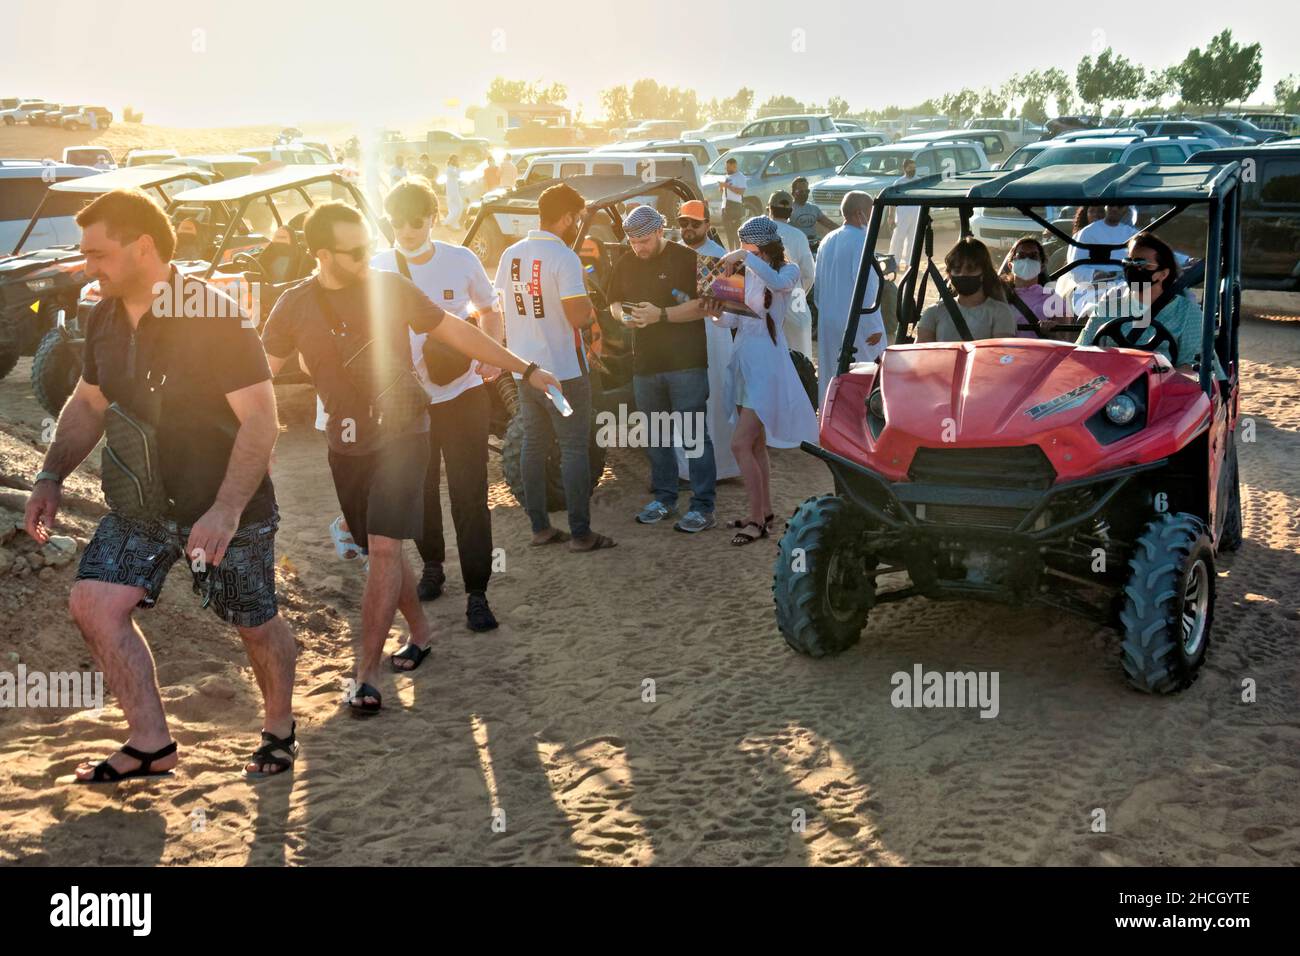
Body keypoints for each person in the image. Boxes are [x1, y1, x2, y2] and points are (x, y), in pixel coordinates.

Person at [23, 188, 298, 780]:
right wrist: (50, 474)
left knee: (252, 621)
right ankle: (151, 742)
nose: (86, 267)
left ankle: (278, 727)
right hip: (139, 503)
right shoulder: (102, 315)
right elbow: (88, 402)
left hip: (224, 503)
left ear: (143, 247)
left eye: (98, 254)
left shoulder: (214, 315)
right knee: (93, 602)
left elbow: (261, 419)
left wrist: (226, 509)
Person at [261, 202, 562, 716]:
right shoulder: (294, 304)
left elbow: (455, 330)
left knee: (383, 548)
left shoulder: (388, 287)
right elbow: (259, 373)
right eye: (354, 251)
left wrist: (524, 367)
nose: (367, 258)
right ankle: (422, 629)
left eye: (365, 244)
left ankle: (366, 674)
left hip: (404, 433)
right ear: (322, 255)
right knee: (377, 544)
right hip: (345, 443)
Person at [375, 177, 502, 632]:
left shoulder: (460, 259)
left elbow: (490, 306)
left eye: (417, 220)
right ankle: (433, 566)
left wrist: (492, 351)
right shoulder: (378, 267)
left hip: (463, 393)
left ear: (432, 217)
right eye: (398, 221)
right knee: (421, 491)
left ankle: (478, 593)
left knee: (470, 494)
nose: (407, 230)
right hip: (408, 401)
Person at [493, 182, 617, 553]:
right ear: (565, 217)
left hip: (525, 369)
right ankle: (580, 533)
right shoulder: (564, 258)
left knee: (533, 445)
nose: (577, 223)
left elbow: (505, 305)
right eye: (576, 217)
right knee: (575, 448)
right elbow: (578, 314)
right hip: (564, 372)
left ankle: (541, 528)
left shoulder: (510, 255)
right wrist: (592, 312)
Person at [705, 216, 819, 545]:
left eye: (745, 243)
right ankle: (764, 510)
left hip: (767, 368)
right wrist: (713, 310)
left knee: (740, 444)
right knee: (753, 444)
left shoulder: (787, 271)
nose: (740, 248)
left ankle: (756, 521)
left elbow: (779, 285)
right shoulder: (745, 270)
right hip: (744, 363)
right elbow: (729, 320)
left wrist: (743, 259)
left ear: (759, 245)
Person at [608, 204, 716, 533]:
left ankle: (702, 506)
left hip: (687, 363)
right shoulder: (626, 261)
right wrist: (623, 317)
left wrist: (662, 315)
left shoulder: (690, 258)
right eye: (632, 241)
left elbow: (707, 304)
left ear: (659, 231)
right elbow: (613, 303)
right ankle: (665, 498)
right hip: (645, 364)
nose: (638, 248)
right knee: (655, 436)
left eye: (643, 240)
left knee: (694, 435)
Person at [1077, 231, 1225, 379]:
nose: (1133, 269)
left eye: (1141, 264)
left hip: (1161, 393)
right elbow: (1080, 353)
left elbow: (1195, 368)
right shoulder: (1108, 306)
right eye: (1129, 262)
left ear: (1163, 274)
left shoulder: (1186, 313)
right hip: (1109, 389)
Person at [675, 199, 739, 481]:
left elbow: (732, 305)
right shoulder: (675, 254)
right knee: (684, 403)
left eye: (694, 223)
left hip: (713, 340)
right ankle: (687, 471)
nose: (688, 228)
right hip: (681, 343)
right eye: (683, 223)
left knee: (715, 400)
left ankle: (722, 468)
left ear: (707, 225)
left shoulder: (718, 256)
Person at [814, 191, 886, 405]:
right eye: (871, 212)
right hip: (858, 323)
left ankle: (830, 427)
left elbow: (818, 291)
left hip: (829, 321)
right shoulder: (863, 240)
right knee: (865, 378)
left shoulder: (827, 240)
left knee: (833, 377)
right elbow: (869, 288)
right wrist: (874, 327)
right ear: (859, 213)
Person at [916, 237, 1018, 343]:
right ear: (950, 275)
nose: (963, 274)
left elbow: (1000, 355)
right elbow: (922, 354)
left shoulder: (1000, 313)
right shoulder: (933, 313)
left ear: (983, 273)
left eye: (971, 269)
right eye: (957, 269)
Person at [766, 190, 815, 357]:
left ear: (769, 209)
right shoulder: (799, 236)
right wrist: (799, 292)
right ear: (791, 212)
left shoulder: (758, 231)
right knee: (800, 359)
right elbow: (809, 274)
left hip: (764, 303)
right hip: (795, 300)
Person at [1063, 204, 1138, 312]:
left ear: (1126, 210)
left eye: (1120, 206)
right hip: (1093, 290)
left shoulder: (1133, 234)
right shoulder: (1085, 234)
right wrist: (1095, 274)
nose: (1115, 208)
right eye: (1112, 206)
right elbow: (1075, 269)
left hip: (1126, 290)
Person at [998, 236, 1067, 337]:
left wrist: (1053, 332)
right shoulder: (999, 296)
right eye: (1021, 256)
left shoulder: (1054, 300)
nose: (1027, 260)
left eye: (1033, 256)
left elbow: (1065, 341)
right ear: (1010, 265)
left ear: (1042, 266)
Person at [889, 159, 920, 266]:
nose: (912, 170)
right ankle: (894, 262)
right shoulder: (899, 183)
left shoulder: (919, 181)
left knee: (912, 239)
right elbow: (892, 201)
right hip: (902, 215)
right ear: (905, 168)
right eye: (910, 168)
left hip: (916, 215)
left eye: (914, 168)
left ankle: (909, 262)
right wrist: (891, 216)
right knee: (898, 239)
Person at [789, 177, 836, 246]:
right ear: (793, 193)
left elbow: (829, 224)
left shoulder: (814, 208)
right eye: (801, 191)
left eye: (807, 191)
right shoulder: (788, 209)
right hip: (797, 245)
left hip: (814, 244)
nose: (804, 193)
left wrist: (845, 231)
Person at [719, 156, 747, 250]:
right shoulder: (727, 176)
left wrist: (727, 186)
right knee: (728, 232)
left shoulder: (740, 177)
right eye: (726, 167)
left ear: (734, 166)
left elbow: (741, 191)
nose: (726, 169)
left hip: (735, 206)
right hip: (725, 206)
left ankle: (738, 251)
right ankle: (730, 251)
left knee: (736, 233)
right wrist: (721, 188)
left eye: (728, 167)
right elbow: (724, 191)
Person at [442, 154, 463, 228]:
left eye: (456, 160)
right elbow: (458, 175)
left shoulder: (452, 168)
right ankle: (448, 222)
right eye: (454, 160)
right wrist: (458, 167)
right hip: (451, 191)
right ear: (450, 160)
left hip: (454, 190)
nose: (455, 161)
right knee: (455, 207)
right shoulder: (449, 169)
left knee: (458, 207)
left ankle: (452, 222)